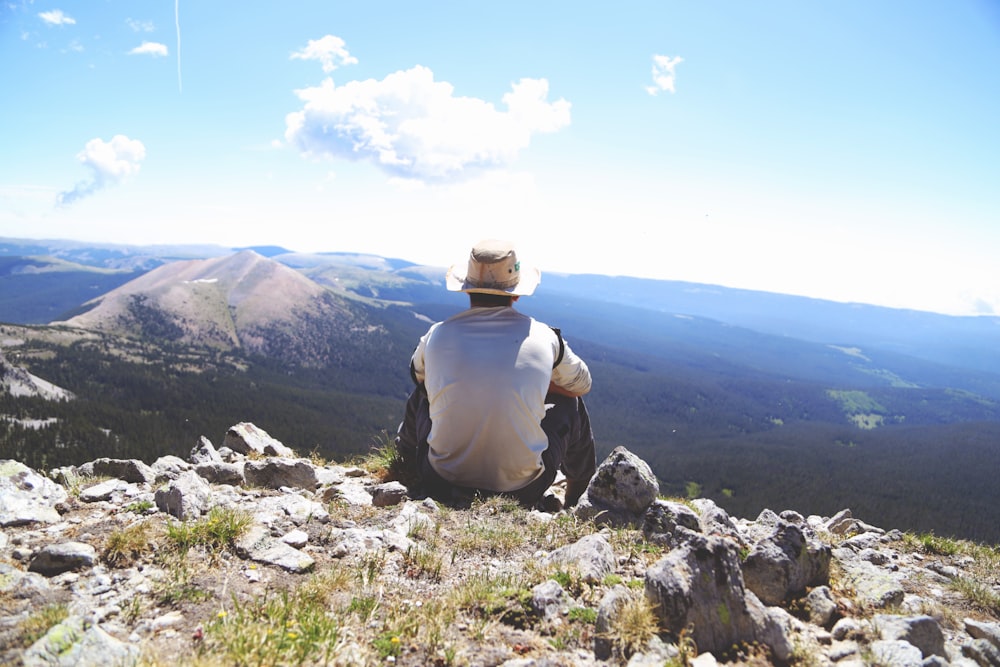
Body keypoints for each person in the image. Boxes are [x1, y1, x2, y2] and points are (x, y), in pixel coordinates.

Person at [395, 239, 596, 509]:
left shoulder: (437, 334)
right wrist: (536, 382)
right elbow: (582, 385)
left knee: (423, 393)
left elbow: (418, 376)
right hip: (524, 489)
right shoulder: (545, 337)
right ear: (516, 293)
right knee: (572, 404)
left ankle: (405, 465)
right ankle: (578, 497)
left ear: (467, 290)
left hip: (440, 479)